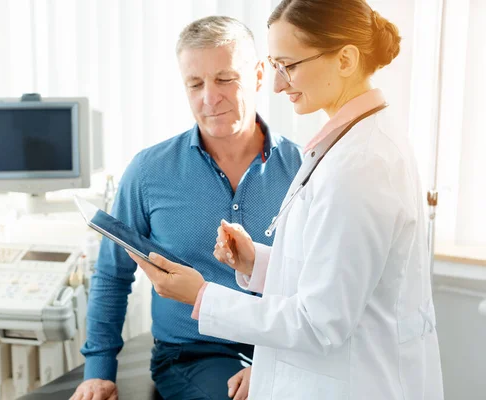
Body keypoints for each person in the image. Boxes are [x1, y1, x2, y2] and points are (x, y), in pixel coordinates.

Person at [128, 1, 445, 399]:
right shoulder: (348, 146)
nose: (278, 84)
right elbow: (334, 272)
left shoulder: (362, 164)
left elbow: (319, 322)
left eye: (288, 65)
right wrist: (256, 262)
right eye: (276, 66)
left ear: (345, 59)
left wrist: (201, 294)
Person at [70, 16, 302, 400]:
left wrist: (271, 364)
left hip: (282, 346)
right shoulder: (149, 172)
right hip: (192, 354)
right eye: (195, 84)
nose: (210, 98)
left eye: (226, 79)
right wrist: (99, 370)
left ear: (260, 76)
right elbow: (113, 276)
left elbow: (315, 281)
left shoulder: (302, 170)